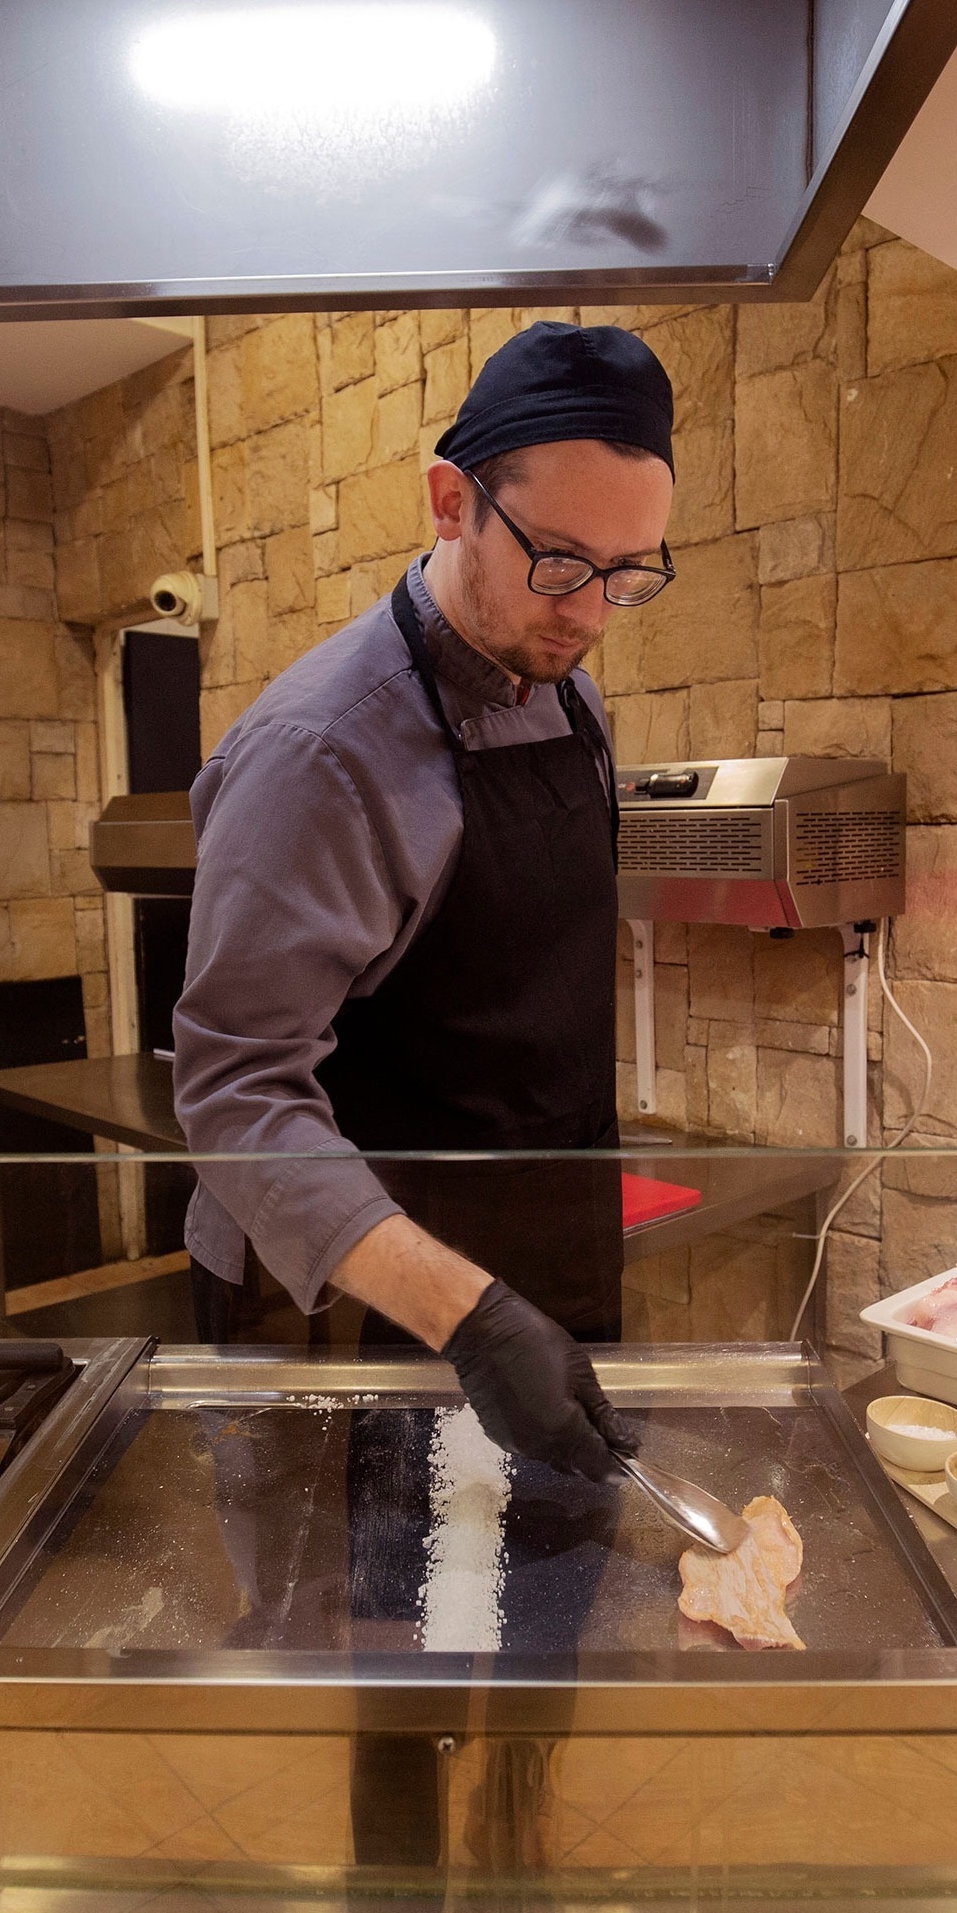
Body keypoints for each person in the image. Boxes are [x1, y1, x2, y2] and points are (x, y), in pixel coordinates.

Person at [175, 320, 679, 1486]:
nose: (591, 611)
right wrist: (469, 1315)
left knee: (543, 1622)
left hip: (537, 1264)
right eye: (558, 561)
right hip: (349, 1306)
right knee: (364, 1653)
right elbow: (234, 1090)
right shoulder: (322, 754)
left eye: (630, 572)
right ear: (452, 501)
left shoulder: (574, 700)